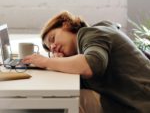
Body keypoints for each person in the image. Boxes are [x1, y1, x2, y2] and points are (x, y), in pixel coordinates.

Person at [22, 11, 150, 113]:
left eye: (52, 38)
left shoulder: (91, 34)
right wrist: (62, 62)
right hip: (136, 100)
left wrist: (46, 62)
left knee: (66, 101)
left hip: (141, 104)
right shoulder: (92, 38)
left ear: (65, 24)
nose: (53, 47)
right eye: (50, 48)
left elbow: (90, 65)